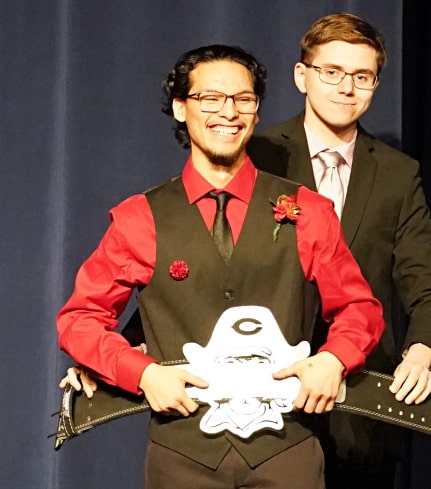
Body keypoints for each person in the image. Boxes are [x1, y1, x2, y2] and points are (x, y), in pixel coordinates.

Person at [56, 44, 385, 489]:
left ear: (256, 110)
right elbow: (80, 320)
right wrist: (143, 372)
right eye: (210, 98)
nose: (228, 112)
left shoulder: (307, 210)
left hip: (286, 449)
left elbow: (359, 308)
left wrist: (334, 358)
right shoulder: (141, 218)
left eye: (243, 99)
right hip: (181, 453)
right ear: (180, 107)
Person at [245, 12, 431, 489]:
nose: (346, 87)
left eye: (362, 77)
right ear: (302, 76)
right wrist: (136, 341)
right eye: (332, 72)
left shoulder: (398, 174)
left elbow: (428, 282)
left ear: (376, 84)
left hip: (360, 405)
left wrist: (421, 353)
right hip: (266, 399)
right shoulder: (258, 157)